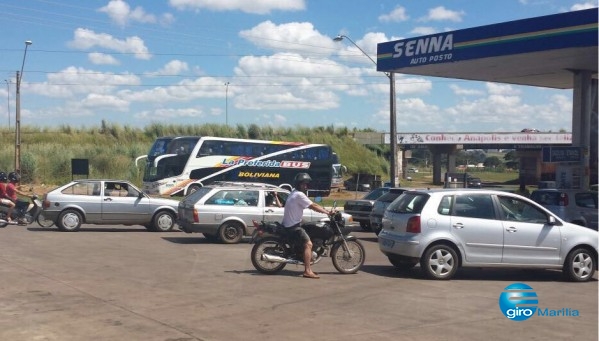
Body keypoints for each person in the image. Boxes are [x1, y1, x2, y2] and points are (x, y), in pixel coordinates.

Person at [282, 173, 330, 279]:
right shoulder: (299, 195)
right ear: (299, 184)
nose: (306, 186)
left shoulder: (293, 192)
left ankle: (301, 255)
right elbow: (313, 205)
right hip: (293, 226)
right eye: (304, 184)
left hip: (289, 223)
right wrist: (327, 212)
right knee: (308, 244)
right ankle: (307, 271)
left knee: (308, 226)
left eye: (306, 184)